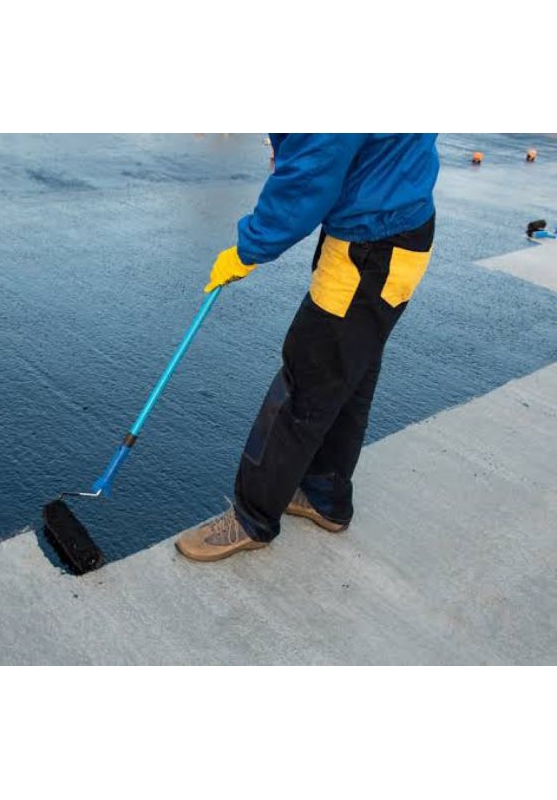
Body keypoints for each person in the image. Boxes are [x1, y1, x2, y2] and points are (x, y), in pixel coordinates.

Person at [176, 133, 440, 562]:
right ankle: (325, 495)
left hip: (369, 245)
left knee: (306, 381)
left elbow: (310, 175)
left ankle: (251, 518)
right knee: (350, 376)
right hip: (395, 228)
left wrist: (249, 248)